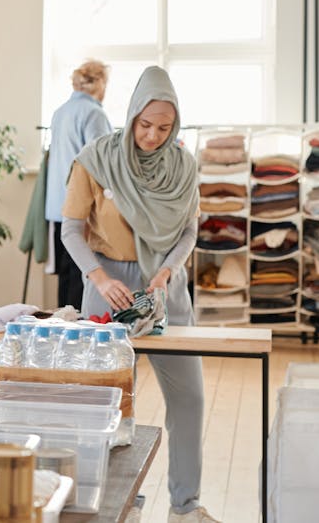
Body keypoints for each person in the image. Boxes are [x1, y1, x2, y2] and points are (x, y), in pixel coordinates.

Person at [60, 66, 219, 523]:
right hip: (106, 288)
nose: (152, 136)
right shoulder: (96, 159)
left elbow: (189, 231)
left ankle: (185, 506)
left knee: (189, 397)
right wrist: (99, 277)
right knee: (107, 401)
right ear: (130, 116)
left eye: (164, 128)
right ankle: (115, 503)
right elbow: (71, 230)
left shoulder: (184, 166)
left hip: (165, 287)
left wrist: (169, 269)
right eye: (145, 125)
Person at [45, 60, 112, 309]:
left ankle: (64, 327)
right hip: (81, 207)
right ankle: (79, 335)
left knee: (66, 273)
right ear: (100, 84)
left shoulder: (60, 112)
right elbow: (102, 162)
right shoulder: (94, 113)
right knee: (83, 274)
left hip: (57, 206)